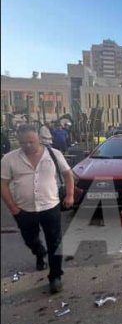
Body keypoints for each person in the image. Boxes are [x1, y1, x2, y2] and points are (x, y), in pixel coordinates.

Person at [1, 124, 74, 294]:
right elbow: (3, 184)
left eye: (31, 142)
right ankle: (39, 252)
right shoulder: (9, 159)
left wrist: (70, 195)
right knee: (29, 238)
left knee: (55, 242)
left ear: (39, 139)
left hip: (50, 206)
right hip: (23, 210)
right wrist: (12, 207)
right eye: (23, 143)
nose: (27, 146)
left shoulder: (54, 154)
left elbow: (68, 174)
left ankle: (55, 276)